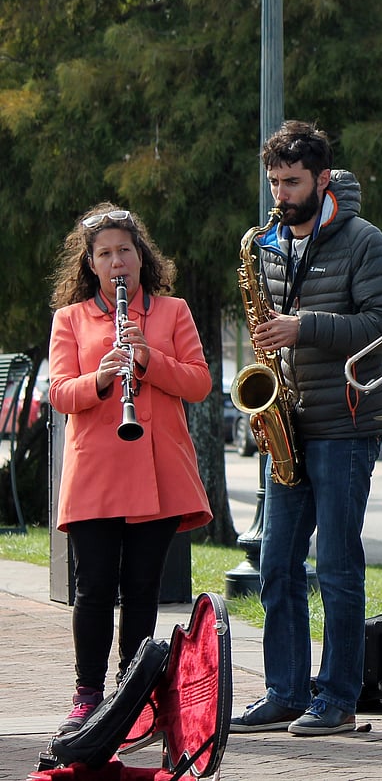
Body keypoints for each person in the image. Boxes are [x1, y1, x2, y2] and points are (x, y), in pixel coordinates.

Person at [228, 121, 382, 737]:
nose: (281, 193)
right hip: (292, 422)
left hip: (347, 423)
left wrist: (304, 327)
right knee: (276, 562)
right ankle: (284, 691)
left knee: (336, 565)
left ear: (323, 178)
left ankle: (338, 698)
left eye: (292, 181)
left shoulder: (363, 241)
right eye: (274, 181)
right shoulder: (268, 243)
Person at [48, 203, 213, 734]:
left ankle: (135, 692)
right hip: (96, 471)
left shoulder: (173, 311)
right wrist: (100, 378)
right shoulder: (70, 319)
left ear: (141, 256)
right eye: (105, 254)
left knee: (143, 588)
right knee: (93, 586)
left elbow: (198, 383)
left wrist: (148, 360)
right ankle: (88, 692)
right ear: (90, 264)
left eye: (125, 250)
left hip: (159, 472)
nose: (116, 261)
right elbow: (59, 393)